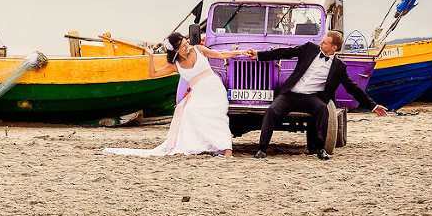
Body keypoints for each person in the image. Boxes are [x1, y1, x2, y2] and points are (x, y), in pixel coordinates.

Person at [104, 32, 253, 157]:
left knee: (217, 118)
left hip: (214, 88)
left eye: (186, 43)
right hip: (199, 93)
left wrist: (241, 52)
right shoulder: (174, 66)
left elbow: (220, 54)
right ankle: (205, 146)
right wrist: (150, 56)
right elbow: (153, 73)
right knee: (189, 112)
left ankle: (227, 149)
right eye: (183, 46)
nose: (187, 46)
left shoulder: (199, 50)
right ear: (176, 51)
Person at [248, 30, 388, 160]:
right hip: (290, 94)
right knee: (271, 111)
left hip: (310, 97)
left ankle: (321, 149)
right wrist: (259, 55)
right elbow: (285, 52)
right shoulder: (309, 49)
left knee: (322, 108)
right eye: (322, 41)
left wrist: (373, 106)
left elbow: (353, 88)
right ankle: (261, 149)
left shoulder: (339, 66)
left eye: (325, 42)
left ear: (334, 48)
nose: (320, 43)